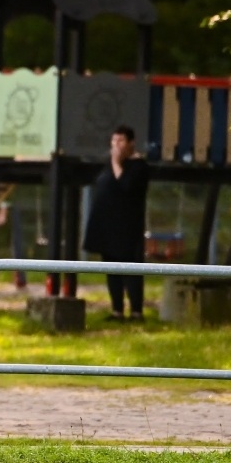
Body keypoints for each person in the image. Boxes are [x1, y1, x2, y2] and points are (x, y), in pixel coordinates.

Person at [83, 124, 151, 320]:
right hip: (108, 227)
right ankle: (117, 310)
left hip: (128, 228)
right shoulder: (108, 165)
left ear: (131, 143)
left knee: (132, 270)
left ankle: (136, 311)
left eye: (120, 141)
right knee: (111, 269)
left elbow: (126, 186)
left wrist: (117, 162)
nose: (116, 145)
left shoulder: (138, 167)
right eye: (114, 141)